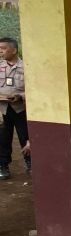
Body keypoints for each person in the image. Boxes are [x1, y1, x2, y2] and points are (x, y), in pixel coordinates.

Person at [0, 37, 29, 179]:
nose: (0, 51)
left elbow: (33, 89)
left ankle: (30, 164)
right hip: (3, 110)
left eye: (3, 48)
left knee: (26, 137)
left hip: (21, 109)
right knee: (3, 139)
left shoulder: (26, 67)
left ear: (14, 50)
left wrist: (20, 96)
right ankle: (3, 166)